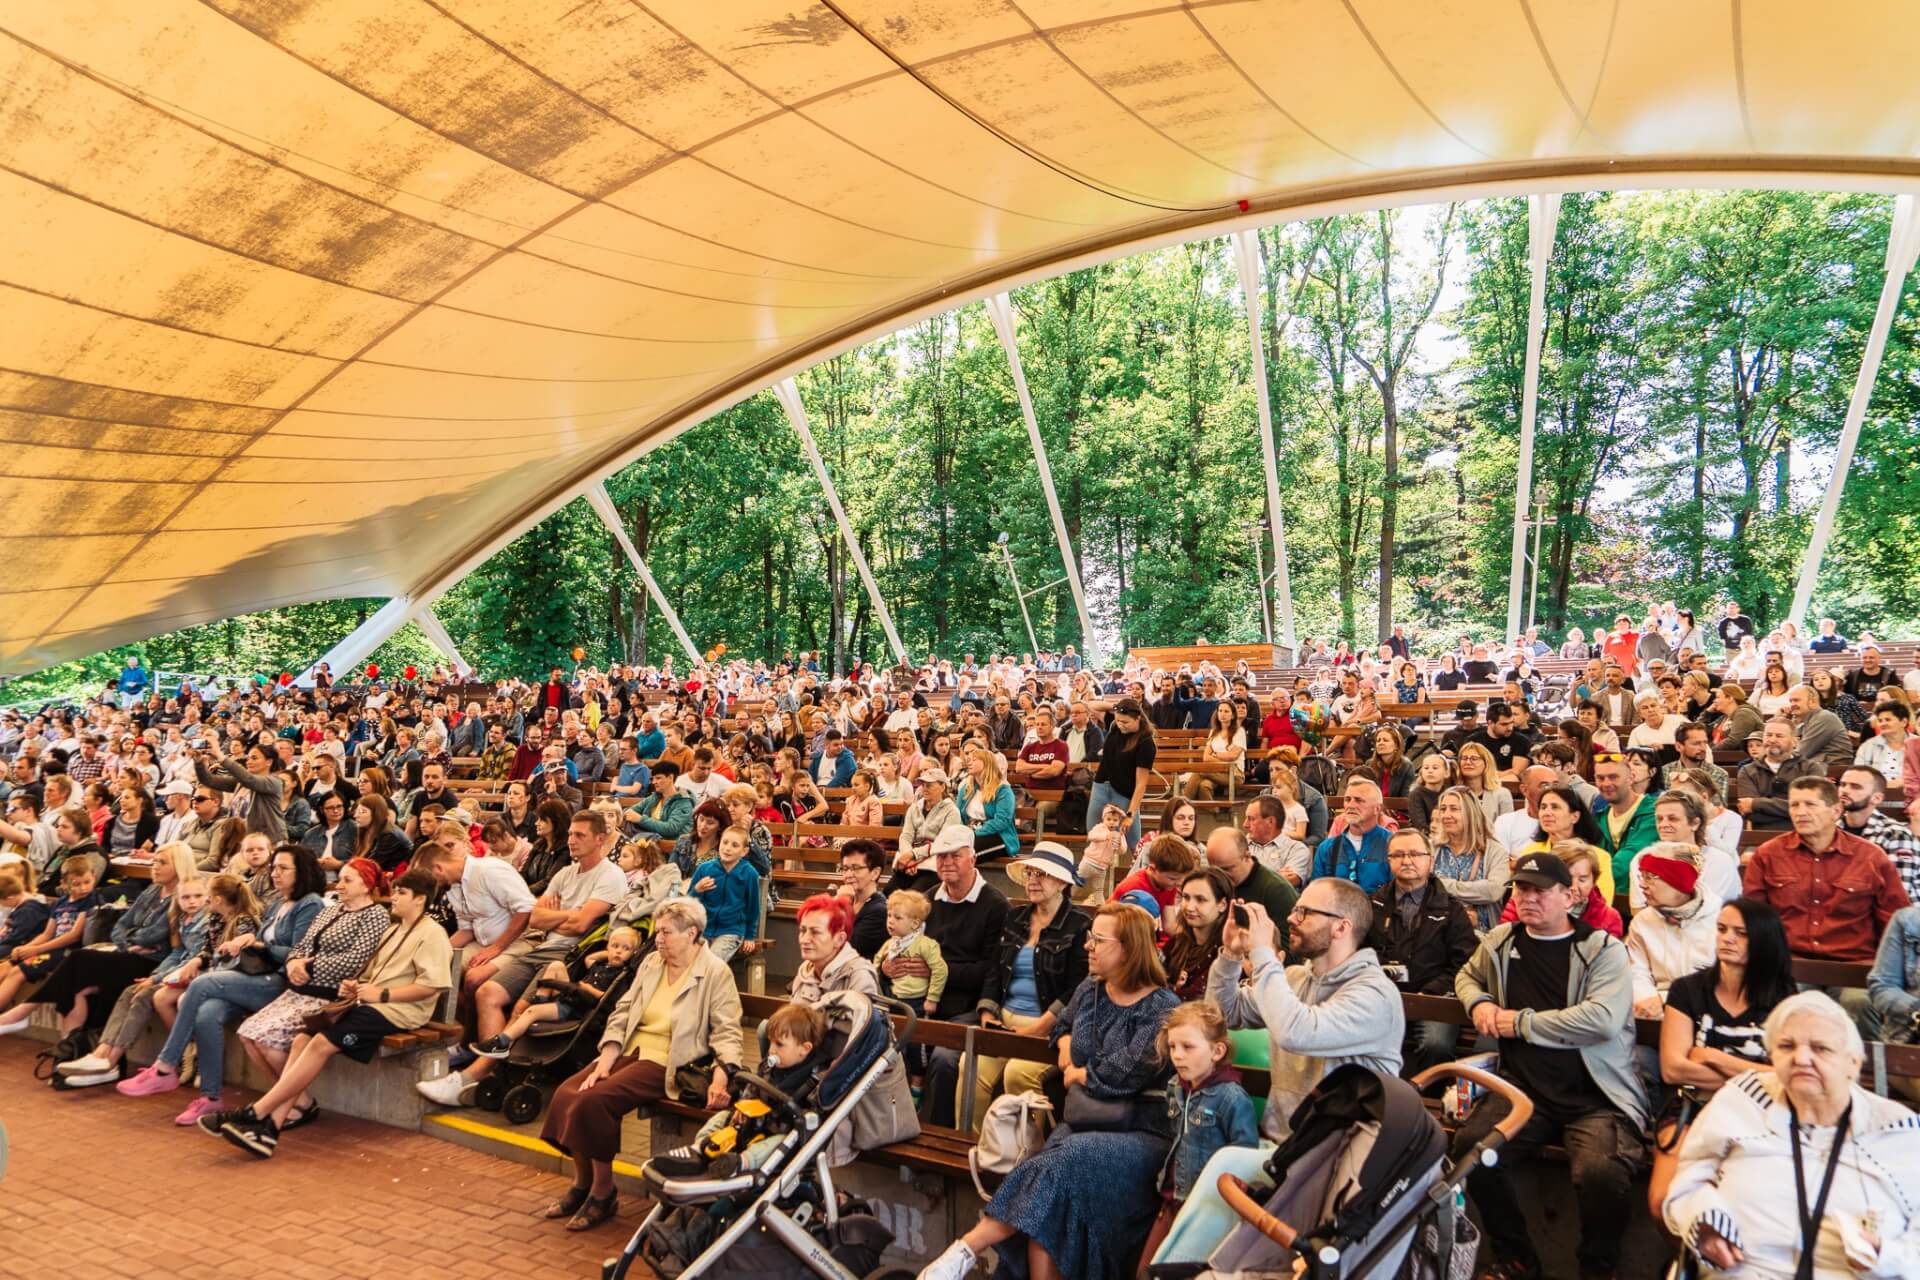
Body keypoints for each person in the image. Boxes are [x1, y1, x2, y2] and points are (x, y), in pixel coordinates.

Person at [918, 903, 1180, 1280]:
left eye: (1099, 940)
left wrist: (1077, 1073)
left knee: (1055, 1164)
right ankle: (964, 1253)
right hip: (1084, 1122)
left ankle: (965, 1249)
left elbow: (1121, 1074)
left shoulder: (1162, 1007)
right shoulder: (1091, 990)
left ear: (1128, 948)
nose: (1088, 946)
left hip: (1140, 1132)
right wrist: (1070, 1055)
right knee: (1052, 1197)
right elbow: (1062, 1032)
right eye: (1090, 937)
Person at [1153, 879, 1404, 1268]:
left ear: (1341, 927)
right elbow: (1224, 1014)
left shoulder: (1374, 994)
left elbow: (1297, 1031)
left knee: (1225, 1165)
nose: (1291, 917)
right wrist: (1230, 956)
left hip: (1337, 1158)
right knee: (1216, 1166)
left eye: (1305, 912)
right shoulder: (1299, 979)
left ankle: (1169, 1272)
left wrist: (1264, 954)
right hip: (1285, 1148)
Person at [1454, 851, 1647, 1280]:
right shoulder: (1501, 940)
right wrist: (1479, 1000)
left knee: (1600, 1174)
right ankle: (1516, 1258)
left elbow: (1602, 1020)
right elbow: (1466, 976)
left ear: (1569, 896)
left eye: (1540, 891)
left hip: (1596, 1096)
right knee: (1473, 1150)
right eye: (1521, 888)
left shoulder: (1601, 950)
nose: (1528, 898)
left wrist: (1520, 1023)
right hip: (1524, 1091)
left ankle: (1598, 1268)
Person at [1663, 992, 1920, 1278]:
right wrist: (1702, 1223)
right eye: (1786, 1046)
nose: (1801, 1058)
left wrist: (1885, 1256)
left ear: (1854, 1063)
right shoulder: (1741, 1102)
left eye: (1820, 1048)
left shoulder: (1898, 1132)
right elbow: (1686, 1184)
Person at [215, 867, 454, 1158]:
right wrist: (356, 987)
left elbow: (433, 986)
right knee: (304, 1038)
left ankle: (257, 1112)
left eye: (402, 893)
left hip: (397, 1011)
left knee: (320, 1042)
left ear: (421, 899)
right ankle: (269, 1130)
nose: (394, 897)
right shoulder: (395, 928)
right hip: (371, 1004)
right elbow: (374, 973)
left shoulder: (432, 934)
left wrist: (383, 994)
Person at [539, 897, 741, 1231]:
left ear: (691, 933)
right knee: (566, 1092)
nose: (658, 939)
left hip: (669, 1059)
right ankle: (582, 1183)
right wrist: (607, 1055)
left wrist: (721, 1078)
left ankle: (603, 1194)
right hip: (629, 1049)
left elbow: (728, 1032)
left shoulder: (716, 973)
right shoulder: (651, 964)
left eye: (666, 932)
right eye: (658, 931)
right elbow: (623, 1010)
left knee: (594, 1100)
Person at [419, 809, 628, 1106]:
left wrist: (557, 916)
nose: (571, 840)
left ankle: (476, 1076)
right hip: (539, 944)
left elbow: (581, 926)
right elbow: (536, 918)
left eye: (579, 835)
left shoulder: (611, 875)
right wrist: (567, 915)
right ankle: (481, 1060)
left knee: (520, 1005)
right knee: (487, 991)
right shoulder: (565, 873)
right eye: (569, 833)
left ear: (601, 839)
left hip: (570, 953)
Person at [116, 846, 328, 1124]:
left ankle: (166, 1066)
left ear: (302, 871)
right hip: (255, 977)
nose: (275, 873)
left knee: (202, 985)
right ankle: (211, 1098)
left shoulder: (310, 903)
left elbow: (296, 953)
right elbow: (262, 941)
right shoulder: (278, 902)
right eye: (274, 867)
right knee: (208, 1013)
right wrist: (250, 942)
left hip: (279, 983)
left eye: (283, 868)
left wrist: (256, 943)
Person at [1648, 898, 1796, 1213]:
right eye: (1722, 929)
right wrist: (1753, 1072)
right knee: (1663, 1202)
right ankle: (1683, 1260)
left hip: (1756, 1114)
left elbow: (1782, 1077)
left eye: (1740, 933)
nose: (1727, 938)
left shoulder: (1784, 998)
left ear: (1763, 941)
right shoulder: (1687, 990)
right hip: (1689, 1107)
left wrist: (1709, 1055)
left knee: (1743, 1205)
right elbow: (1673, 1069)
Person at [1744, 776, 1908, 1035]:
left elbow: (1894, 922)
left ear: (1835, 810)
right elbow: (1754, 920)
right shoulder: (1768, 854)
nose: (1800, 812)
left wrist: (1888, 975)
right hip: (1792, 964)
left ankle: (1866, 1073)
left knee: (1859, 1002)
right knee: (1789, 1003)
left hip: (1855, 966)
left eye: (1810, 804)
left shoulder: (1870, 857)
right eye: (1794, 805)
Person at [965, 842, 1091, 1122]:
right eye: (1030, 873)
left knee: (1017, 1074)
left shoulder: (1079, 925)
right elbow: (995, 971)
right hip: (1004, 1021)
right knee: (968, 1065)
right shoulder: (1015, 916)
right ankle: (972, 1147)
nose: (1032, 880)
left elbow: (1077, 989)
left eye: (1042, 874)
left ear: (1061, 883)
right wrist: (987, 1012)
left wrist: (1040, 1026)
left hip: (1049, 1027)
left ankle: (1029, 1155)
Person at [1137, 1000, 1260, 1279]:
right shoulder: (1175, 1088)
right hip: (1172, 1199)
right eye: (1172, 1047)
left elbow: (1244, 1159)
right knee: (1146, 1272)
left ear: (1217, 1051)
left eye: (1187, 1047)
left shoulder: (1231, 1098)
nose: (1177, 1056)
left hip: (1208, 1208)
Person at [903, 825, 1011, 1127]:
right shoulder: (927, 899)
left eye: (955, 856)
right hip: (923, 1000)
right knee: (886, 1039)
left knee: (944, 1059)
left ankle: (938, 1140)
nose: (946, 862)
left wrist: (937, 972)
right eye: (941, 857)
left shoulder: (995, 905)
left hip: (968, 1007)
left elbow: (991, 970)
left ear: (972, 859)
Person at [1366, 828, 1476, 1073]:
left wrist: (1430, 992)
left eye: (1415, 854)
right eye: (1399, 855)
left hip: (1433, 998)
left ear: (1430, 859)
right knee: (1357, 1036)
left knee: (1435, 1045)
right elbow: (1359, 952)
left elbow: (1466, 963)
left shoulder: (1451, 909)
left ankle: (1428, 1101)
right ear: (1389, 860)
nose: (1407, 860)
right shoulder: (1374, 904)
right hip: (1383, 996)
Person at [472, 926, 641, 1059]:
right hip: (571, 995)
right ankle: (540, 999)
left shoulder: (621, 975)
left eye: (625, 949)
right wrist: (610, 952)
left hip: (577, 1007)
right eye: (615, 946)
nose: (618, 951)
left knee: (531, 1012)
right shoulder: (600, 965)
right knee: (555, 965)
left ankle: (501, 1043)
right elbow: (588, 959)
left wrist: (589, 989)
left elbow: (609, 1000)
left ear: (633, 954)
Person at [1626, 844, 1720, 1020]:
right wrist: (1646, 998)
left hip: (1708, 1011)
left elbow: (1723, 980)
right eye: (1642, 877)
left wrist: (1664, 999)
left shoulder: (1720, 920)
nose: (1642, 886)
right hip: (1653, 1013)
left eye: (1650, 878)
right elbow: (1637, 972)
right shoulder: (1642, 921)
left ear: (1678, 881)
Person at [0, 855, 100, 1017]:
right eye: (76, 884)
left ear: (94, 878)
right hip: (51, 948)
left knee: (17, 972)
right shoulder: (60, 903)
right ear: (64, 883)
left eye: (87, 882)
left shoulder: (90, 900)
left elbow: (74, 936)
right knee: (6, 964)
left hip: (69, 952)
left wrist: (36, 949)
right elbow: (47, 934)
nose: (83, 888)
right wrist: (27, 947)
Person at [1430, 784, 1511, 932]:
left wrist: (1442, 885)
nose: (1446, 815)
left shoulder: (1494, 851)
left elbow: (1493, 891)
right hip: (1435, 930)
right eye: (1443, 809)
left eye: (1454, 809)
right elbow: (1422, 888)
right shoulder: (1431, 848)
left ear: (1470, 812)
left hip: (1481, 933)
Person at [1837, 765, 1920, 902]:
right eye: (1843, 784)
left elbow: (1898, 894)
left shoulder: (1896, 834)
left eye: (1855, 787)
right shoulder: (1832, 830)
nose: (1845, 790)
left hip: (1897, 917)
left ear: (1877, 798)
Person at [788, 894, 880, 1006]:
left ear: (839, 939)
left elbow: (858, 1022)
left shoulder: (859, 976)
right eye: (802, 930)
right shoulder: (805, 971)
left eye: (815, 932)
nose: (805, 939)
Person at [688, 825, 761, 964]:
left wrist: (750, 936)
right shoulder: (704, 869)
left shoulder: (749, 874)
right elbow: (689, 904)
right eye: (725, 842)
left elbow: (753, 907)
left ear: (744, 851)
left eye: (735, 845)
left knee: (712, 962)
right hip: (704, 928)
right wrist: (696, 890)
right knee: (688, 959)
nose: (727, 848)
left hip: (731, 930)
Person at [1735, 717, 1825, 830]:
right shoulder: (1747, 771)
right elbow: (1751, 813)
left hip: (1802, 834)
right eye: (1768, 735)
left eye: (1779, 736)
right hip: (1761, 837)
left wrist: (1756, 804)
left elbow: (1812, 807)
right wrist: (1794, 807)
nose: (1772, 740)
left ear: (1794, 742)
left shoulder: (1810, 769)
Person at [1090, 698, 1156, 851]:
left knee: (1135, 844)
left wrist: (1130, 815)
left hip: (1125, 793)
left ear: (1138, 718)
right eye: (1118, 720)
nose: (1120, 725)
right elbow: (1091, 705)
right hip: (1101, 785)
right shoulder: (1115, 725)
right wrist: (1116, 708)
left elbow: (1141, 783)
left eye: (1125, 722)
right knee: (1096, 836)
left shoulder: (1146, 742)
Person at [1202, 825, 1296, 926]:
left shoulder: (1277, 890)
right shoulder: (1211, 884)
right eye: (1214, 869)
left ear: (1247, 856)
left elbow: (1289, 939)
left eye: (1227, 869)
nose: (1220, 876)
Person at [1161, 867, 1232, 1000]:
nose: (1189, 907)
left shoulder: (1228, 954)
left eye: (1200, 899)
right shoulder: (1175, 944)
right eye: (1186, 897)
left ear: (1222, 904)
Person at [1309, 778, 1392, 891]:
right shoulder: (1327, 848)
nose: (1351, 805)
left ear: (1377, 809)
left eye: (1359, 800)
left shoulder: (1393, 845)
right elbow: (1316, 892)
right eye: (1347, 800)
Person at [194, 743, 287, 843]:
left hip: (267, 841)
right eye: (248, 758)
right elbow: (209, 780)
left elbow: (249, 780)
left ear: (269, 762)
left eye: (254, 758)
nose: (249, 761)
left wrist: (221, 757)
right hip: (240, 839)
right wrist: (198, 762)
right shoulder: (241, 783)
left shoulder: (274, 782)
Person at [877, 888, 947, 1015]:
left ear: (914, 924)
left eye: (897, 917)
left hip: (916, 1000)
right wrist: (881, 969)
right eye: (889, 915)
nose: (890, 921)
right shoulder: (890, 944)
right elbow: (876, 964)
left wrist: (932, 998)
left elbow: (940, 970)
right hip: (891, 995)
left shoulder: (925, 944)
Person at [954, 744, 1018, 862]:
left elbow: (1002, 821)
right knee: (949, 850)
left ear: (987, 763)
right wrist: (962, 832)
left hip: (998, 836)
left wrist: (974, 833)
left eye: (974, 760)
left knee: (963, 856)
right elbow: (957, 815)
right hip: (970, 832)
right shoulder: (966, 789)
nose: (969, 762)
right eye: (968, 759)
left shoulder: (1003, 789)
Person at [834, 839, 891, 960]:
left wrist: (843, 903)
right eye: (845, 868)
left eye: (856, 868)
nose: (848, 874)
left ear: (875, 873)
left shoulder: (880, 911)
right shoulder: (852, 900)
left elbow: (841, 951)